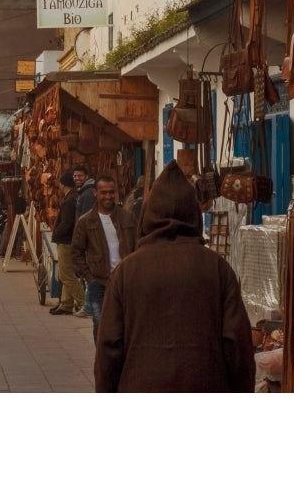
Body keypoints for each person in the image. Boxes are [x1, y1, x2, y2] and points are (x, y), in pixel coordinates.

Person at [94, 160, 256, 393]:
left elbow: (109, 349)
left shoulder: (126, 272)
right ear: (193, 214)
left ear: (148, 215)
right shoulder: (217, 269)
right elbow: (238, 347)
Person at [71, 175, 137, 342]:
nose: (108, 196)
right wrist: (89, 277)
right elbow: (76, 252)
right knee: (100, 325)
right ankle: (102, 363)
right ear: (95, 193)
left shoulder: (127, 218)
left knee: (126, 325)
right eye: (103, 192)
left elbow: (139, 246)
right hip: (99, 283)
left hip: (125, 281)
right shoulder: (85, 221)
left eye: (111, 192)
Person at [49, 170, 85, 316]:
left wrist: (56, 232)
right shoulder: (72, 197)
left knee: (66, 275)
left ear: (63, 184)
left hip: (65, 240)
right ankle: (66, 303)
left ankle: (83, 302)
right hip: (67, 239)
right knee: (67, 273)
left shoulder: (70, 200)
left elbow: (67, 222)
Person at [72, 164, 97, 318]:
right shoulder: (83, 192)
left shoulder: (87, 194)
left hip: (88, 241)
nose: (77, 178)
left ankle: (89, 307)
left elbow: (86, 219)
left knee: (88, 274)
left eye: (80, 176)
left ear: (86, 176)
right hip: (87, 240)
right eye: (75, 176)